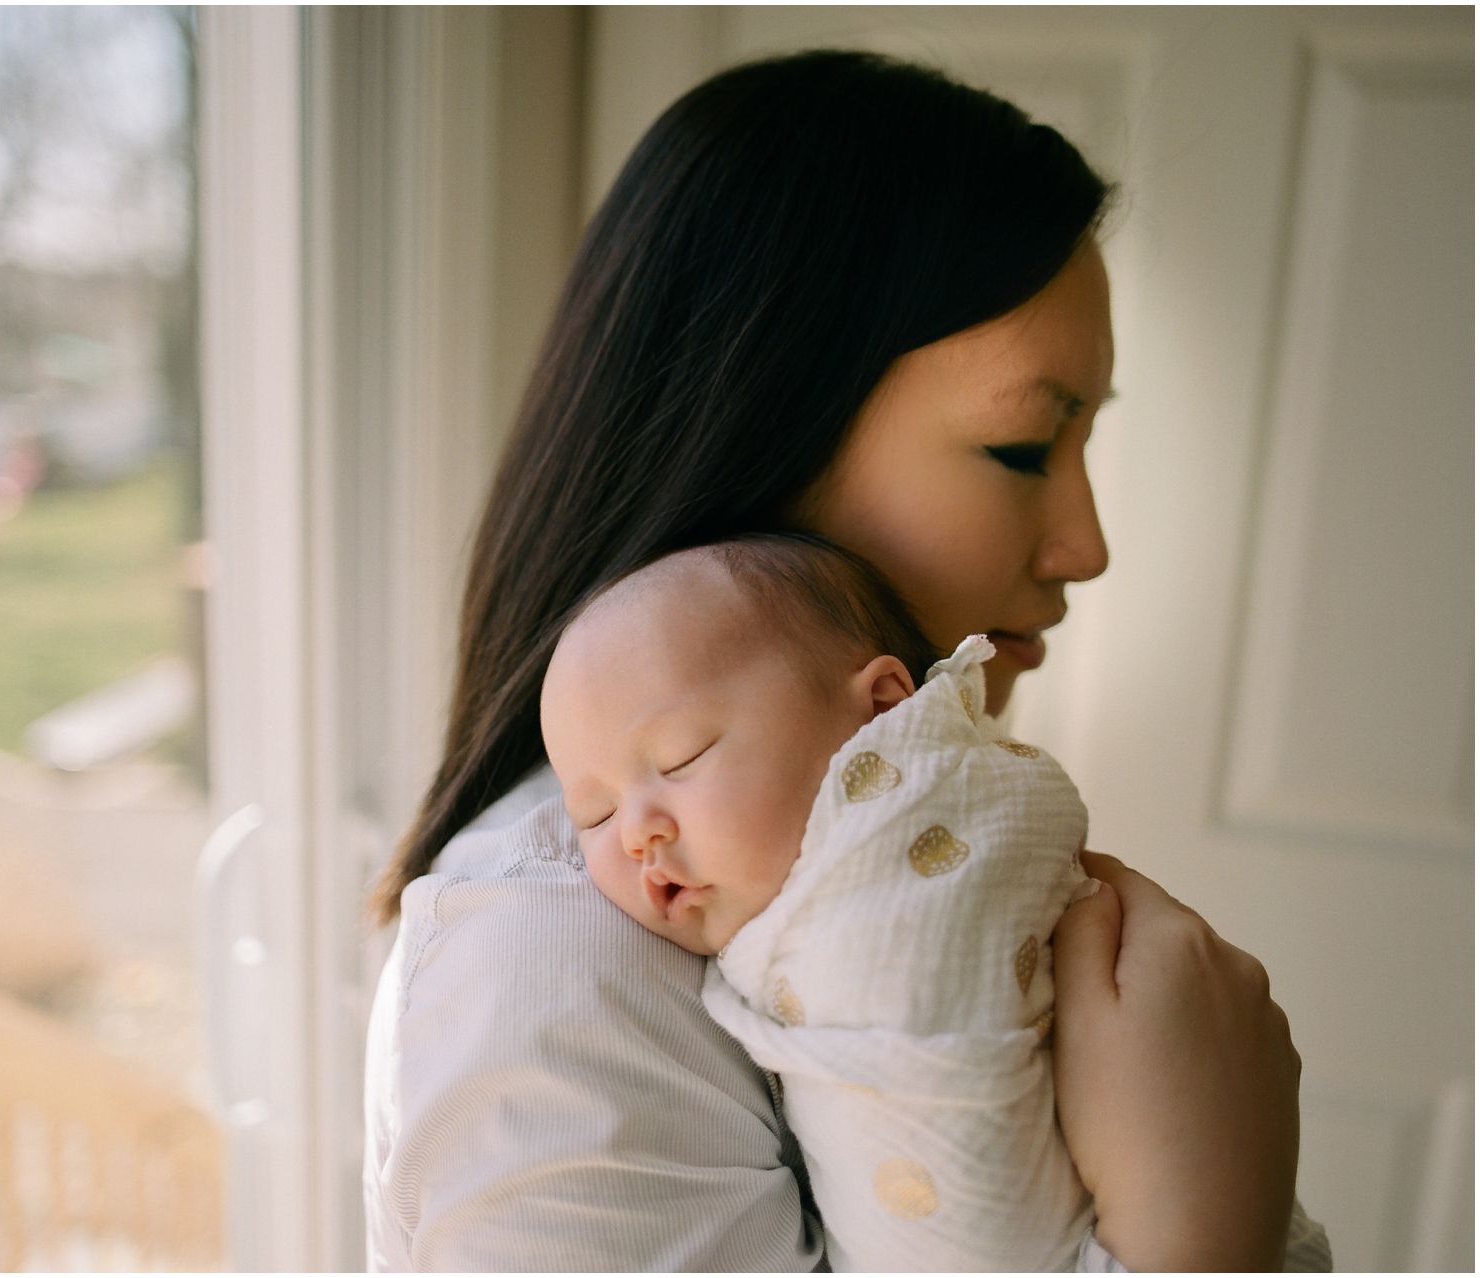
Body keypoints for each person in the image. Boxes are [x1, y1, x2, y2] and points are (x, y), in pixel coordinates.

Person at [364, 49, 1319, 1272]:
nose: (1084, 548)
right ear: (766, 421)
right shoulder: (563, 961)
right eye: (1025, 446)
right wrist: (1203, 1225)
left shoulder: (852, 841)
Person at [542, 534, 1096, 1270]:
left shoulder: (923, 853)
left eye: (682, 758)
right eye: (595, 816)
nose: (638, 834)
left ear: (879, 715)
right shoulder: (560, 959)